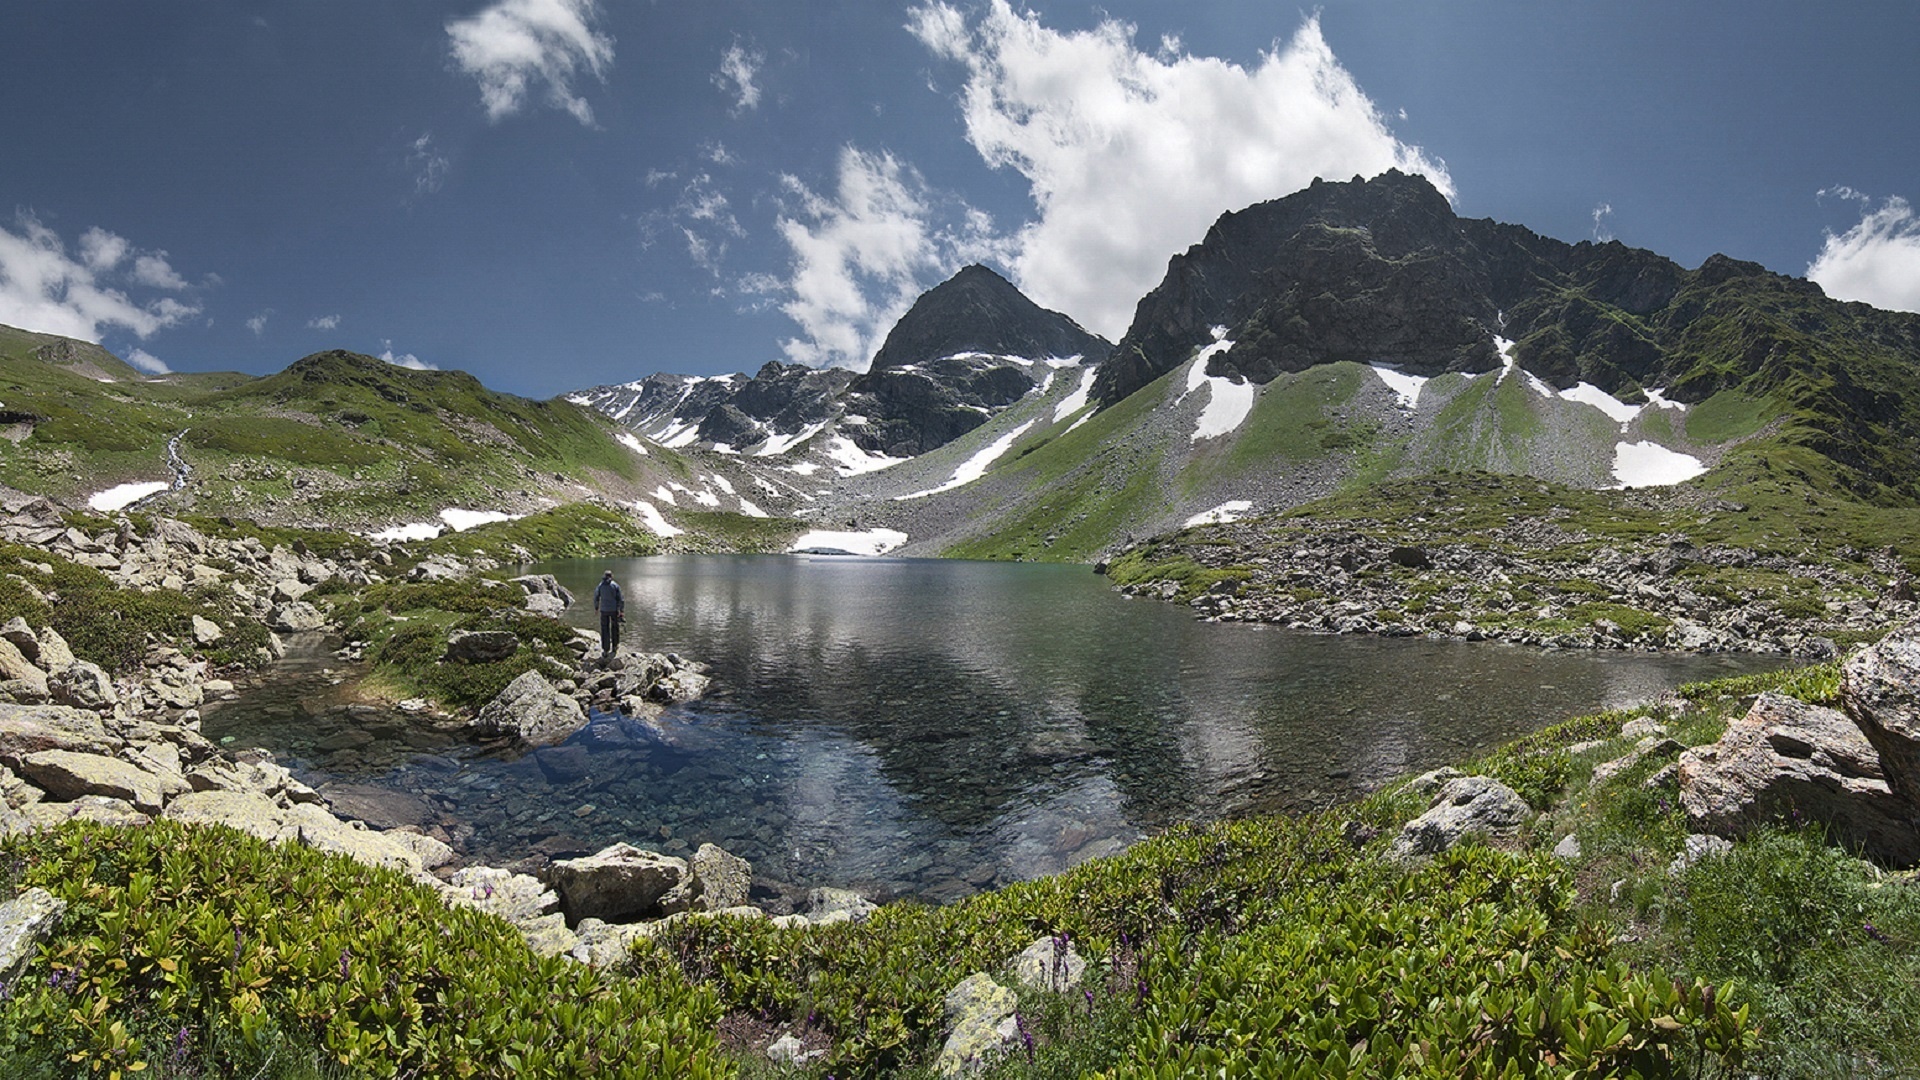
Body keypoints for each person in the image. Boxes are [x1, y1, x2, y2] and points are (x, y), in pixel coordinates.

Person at [592, 570, 625, 655]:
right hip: (614, 610)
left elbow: (596, 597)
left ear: (604, 576)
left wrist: (596, 608)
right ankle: (615, 646)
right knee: (615, 628)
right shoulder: (615, 585)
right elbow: (621, 599)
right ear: (611, 576)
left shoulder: (600, 585)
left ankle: (606, 649)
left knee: (604, 629)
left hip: (604, 610)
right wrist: (621, 610)